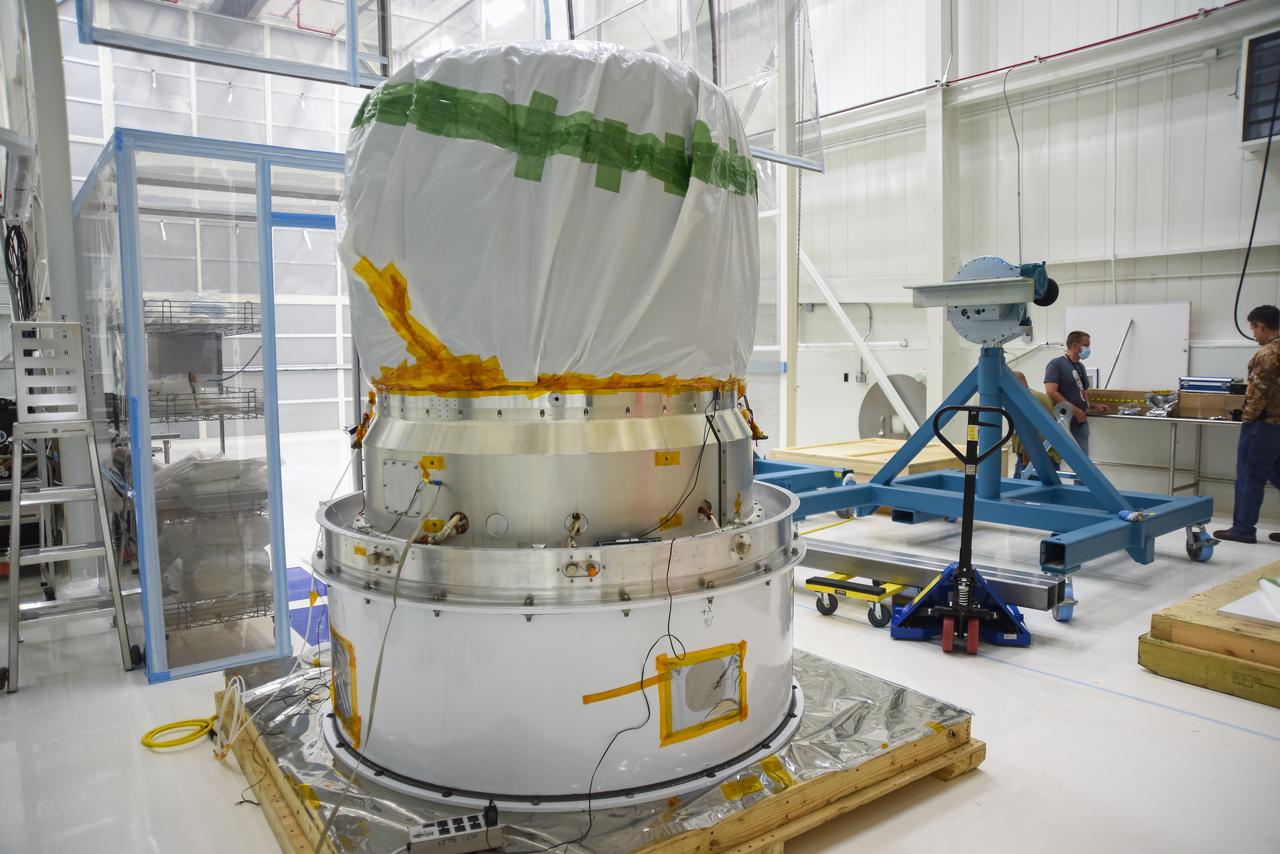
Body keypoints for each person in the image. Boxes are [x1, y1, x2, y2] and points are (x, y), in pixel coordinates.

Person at [1215, 305, 1280, 544]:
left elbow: (1258, 394)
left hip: (1262, 427)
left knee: (1249, 477)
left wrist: (1247, 419)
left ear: (1261, 326)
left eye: (1253, 329)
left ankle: (1243, 529)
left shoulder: (1267, 354)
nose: (1254, 334)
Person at [1044, 331, 1109, 456]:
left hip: (1080, 423)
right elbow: (1051, 392)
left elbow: (1082, 392)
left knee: (1083, 458)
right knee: (1058, 457)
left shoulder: (1080, 367)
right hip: (1063, 422)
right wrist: (1075, 411)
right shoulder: (1056, 364)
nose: (1088, 349)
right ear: (1074, 345)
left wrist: (1093, 406)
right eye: (1086, 345)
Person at [1011, 371, 1062, 478]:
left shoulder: (1024, 399)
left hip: (1033, 458)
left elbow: (1027, 432)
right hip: (1050, 455)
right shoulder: (1041, 396)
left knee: (1024, 488)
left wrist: (1025, 464)